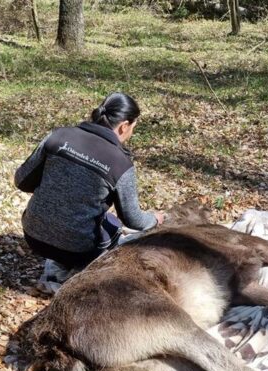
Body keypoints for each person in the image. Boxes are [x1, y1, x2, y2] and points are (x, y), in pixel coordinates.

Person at [14, 92, 164, 269]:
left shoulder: (58, 136)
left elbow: (21, 180)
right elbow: (133, 220)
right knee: (113, 225)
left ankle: (57, 265)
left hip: (32, 237)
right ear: (124, 126)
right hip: (78, 252)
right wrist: (154, 219)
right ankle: (74, 271)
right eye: (133, 128)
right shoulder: (120, 163)